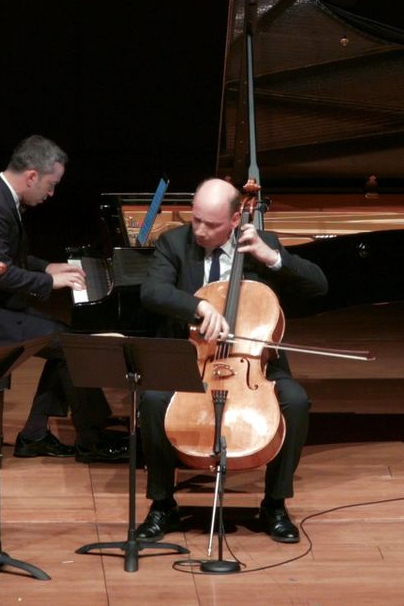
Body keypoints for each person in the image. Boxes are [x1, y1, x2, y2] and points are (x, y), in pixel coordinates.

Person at [134, 177, 328, 544]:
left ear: (236, 219)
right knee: (154, 399)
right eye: (196, 220)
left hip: (255, 363)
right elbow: (152, 291)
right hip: (194, 357)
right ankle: (162, 504)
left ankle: (274, 504)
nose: (200, 230)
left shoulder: (263, 245)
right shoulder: (174, 242)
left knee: (297, 402)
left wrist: (272, 259)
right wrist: (199, 306)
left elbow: (319, 286)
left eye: (211, 223)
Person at [0, 135, 128, 463]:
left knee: (65, 341)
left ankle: (36, 434)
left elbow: (11, 258)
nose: (51, 194)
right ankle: (91, 438)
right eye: (51, 185)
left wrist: (46, 266)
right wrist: (48, 280)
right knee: (71, 345)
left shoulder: (2, 197)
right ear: (31, 177)